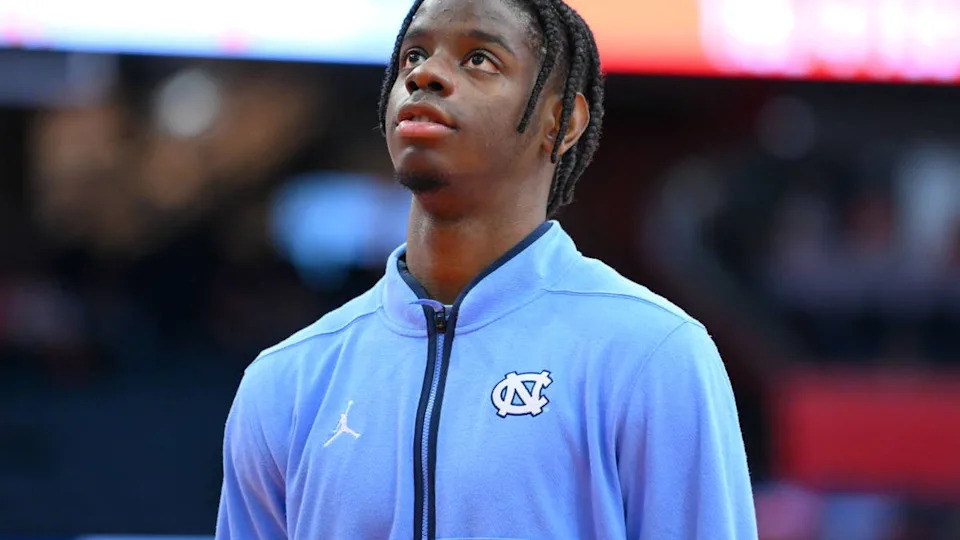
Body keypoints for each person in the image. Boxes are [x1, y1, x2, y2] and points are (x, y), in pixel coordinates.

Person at [216, 0, 758, 538]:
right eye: (413, 56)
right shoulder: (286, 381)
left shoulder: (652, 353)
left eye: (479, 59)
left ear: (561, 121)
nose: (425, 75)